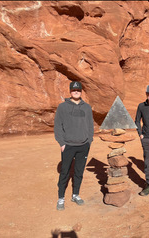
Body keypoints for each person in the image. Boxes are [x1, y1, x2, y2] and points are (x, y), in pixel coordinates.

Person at [54, 81, 94, 211]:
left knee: (79, 172)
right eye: (73, 90)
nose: (76, 91)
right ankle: (61, 197)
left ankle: (75, 194)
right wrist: (62, 143)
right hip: (68, 146)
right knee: (65, 172)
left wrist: (89, 141)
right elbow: (58, 126)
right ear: (70, 91)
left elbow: (90, 125)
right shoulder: (62, 107)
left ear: (81, 91)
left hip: (83, 145)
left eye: (78, 90)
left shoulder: (87, 107)